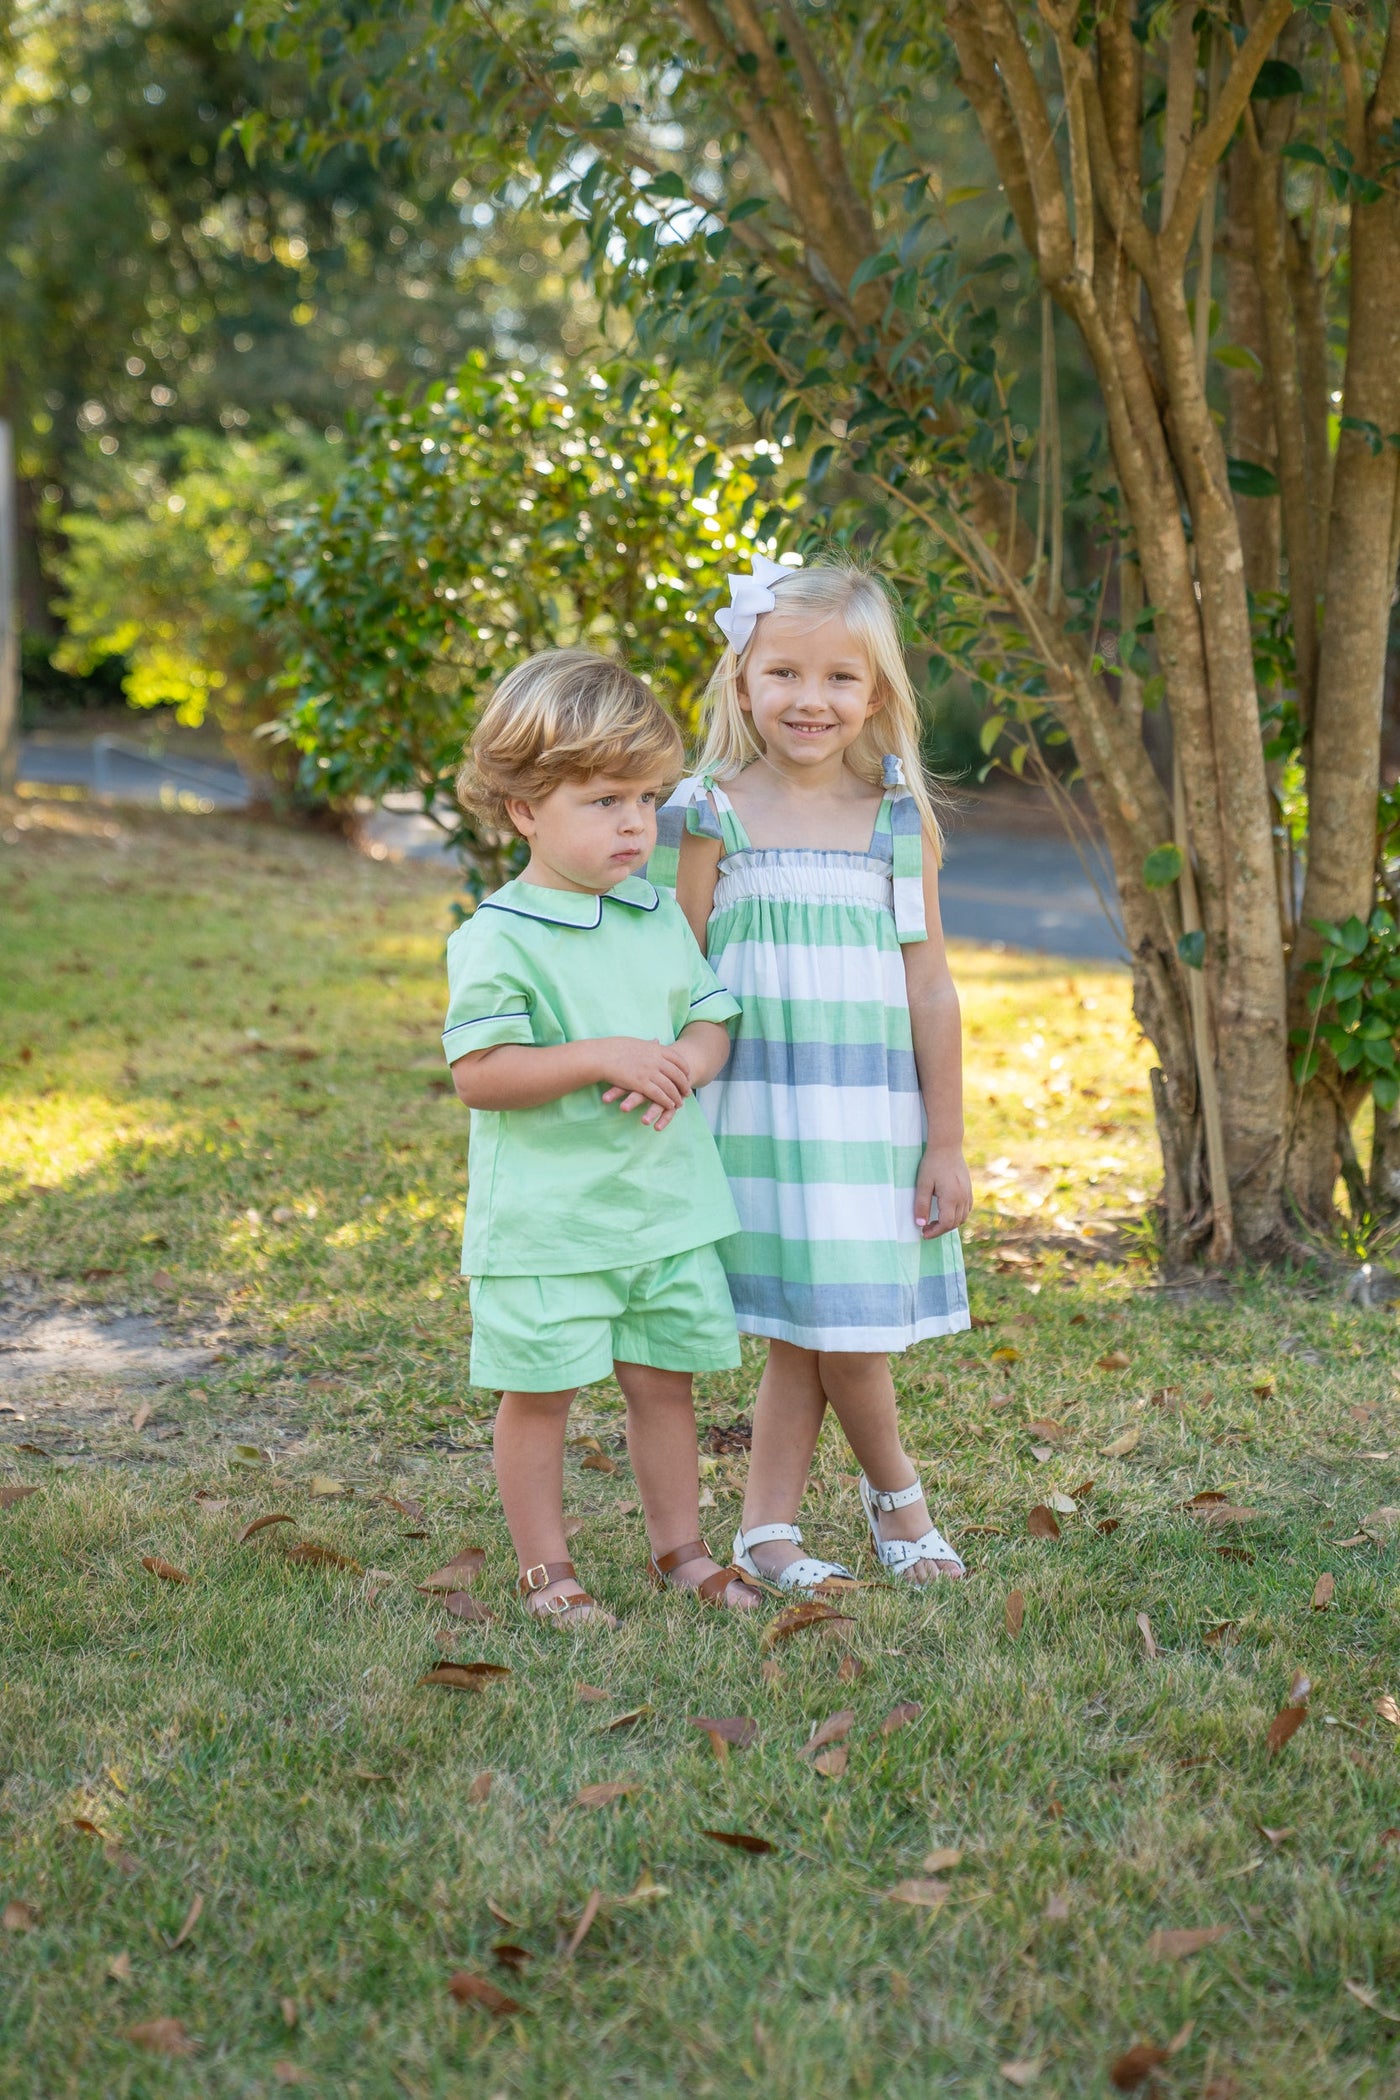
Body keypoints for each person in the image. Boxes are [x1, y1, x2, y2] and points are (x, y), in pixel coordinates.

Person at [650, 556, 972, 1593]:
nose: (810, 699)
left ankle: (800, 1524)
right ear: (740, 679)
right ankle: (873, 1511)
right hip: (753, 1113)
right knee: (809, 1319)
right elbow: (676, 970)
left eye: (840, 678)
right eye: (783, 672)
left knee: (834, 1318)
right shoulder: (705, 813)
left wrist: (947, 1138)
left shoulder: (894, 815)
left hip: (866, 1117)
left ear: (875, 694)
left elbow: (929, 987)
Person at [444, 648, 760, 1624]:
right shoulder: (498, 935)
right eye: (602, 801)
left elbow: (711, 1016)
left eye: (645, 799)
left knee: (664, 1388)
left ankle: (681, 1550)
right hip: (551, 1224)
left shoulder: (654, 912)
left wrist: (688, 1061)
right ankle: (547, 1569)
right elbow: (480, 1075)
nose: (633, 823)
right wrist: (600, 1056)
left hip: (660, 1214)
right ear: (523, 808)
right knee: (538, 1396)